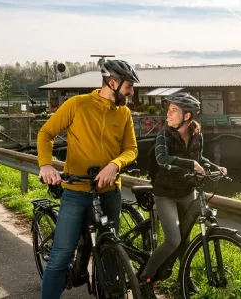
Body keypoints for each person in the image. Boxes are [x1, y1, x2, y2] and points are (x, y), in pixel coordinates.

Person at [37, 59, 140, 299]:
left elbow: (132, 149)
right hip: (76, 191)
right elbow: (46, 134)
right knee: (61, 256)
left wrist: (114, 165)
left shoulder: (123, 113)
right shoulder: (78, 104)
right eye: (129, 86)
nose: (131, 91)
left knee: (111, 254)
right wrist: (45, 165)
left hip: (110, 193)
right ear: (112, 83)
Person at [139, 92, 227, 298]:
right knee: (173, 240)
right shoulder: (164, 135)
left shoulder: (197, 134)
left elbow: (200, 157)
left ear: (187, 116)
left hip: (187, 191)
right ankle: (145, 277)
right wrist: (190, 164)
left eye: (173, 111)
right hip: (165, 193)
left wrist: (216, 167)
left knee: (185, 240)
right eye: (168, 110)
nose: (167, 114)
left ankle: (185, 280)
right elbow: (162, 159)